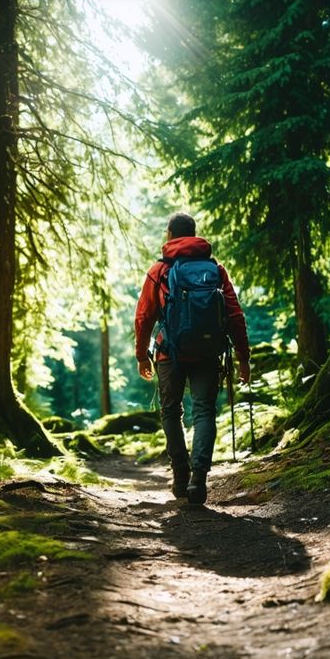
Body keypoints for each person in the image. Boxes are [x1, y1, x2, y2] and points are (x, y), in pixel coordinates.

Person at [134, 212, 250, 504]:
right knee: (204, 411)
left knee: (172, 411)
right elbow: (235, 314)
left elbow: (144, 316)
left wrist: (141, 355)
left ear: (170, 235)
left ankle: (181, 474)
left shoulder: (159, 269)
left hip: (168, 352)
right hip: (209, 352)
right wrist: (243, 357)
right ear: (194, 234)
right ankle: (199, 479)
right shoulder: (215, 268)